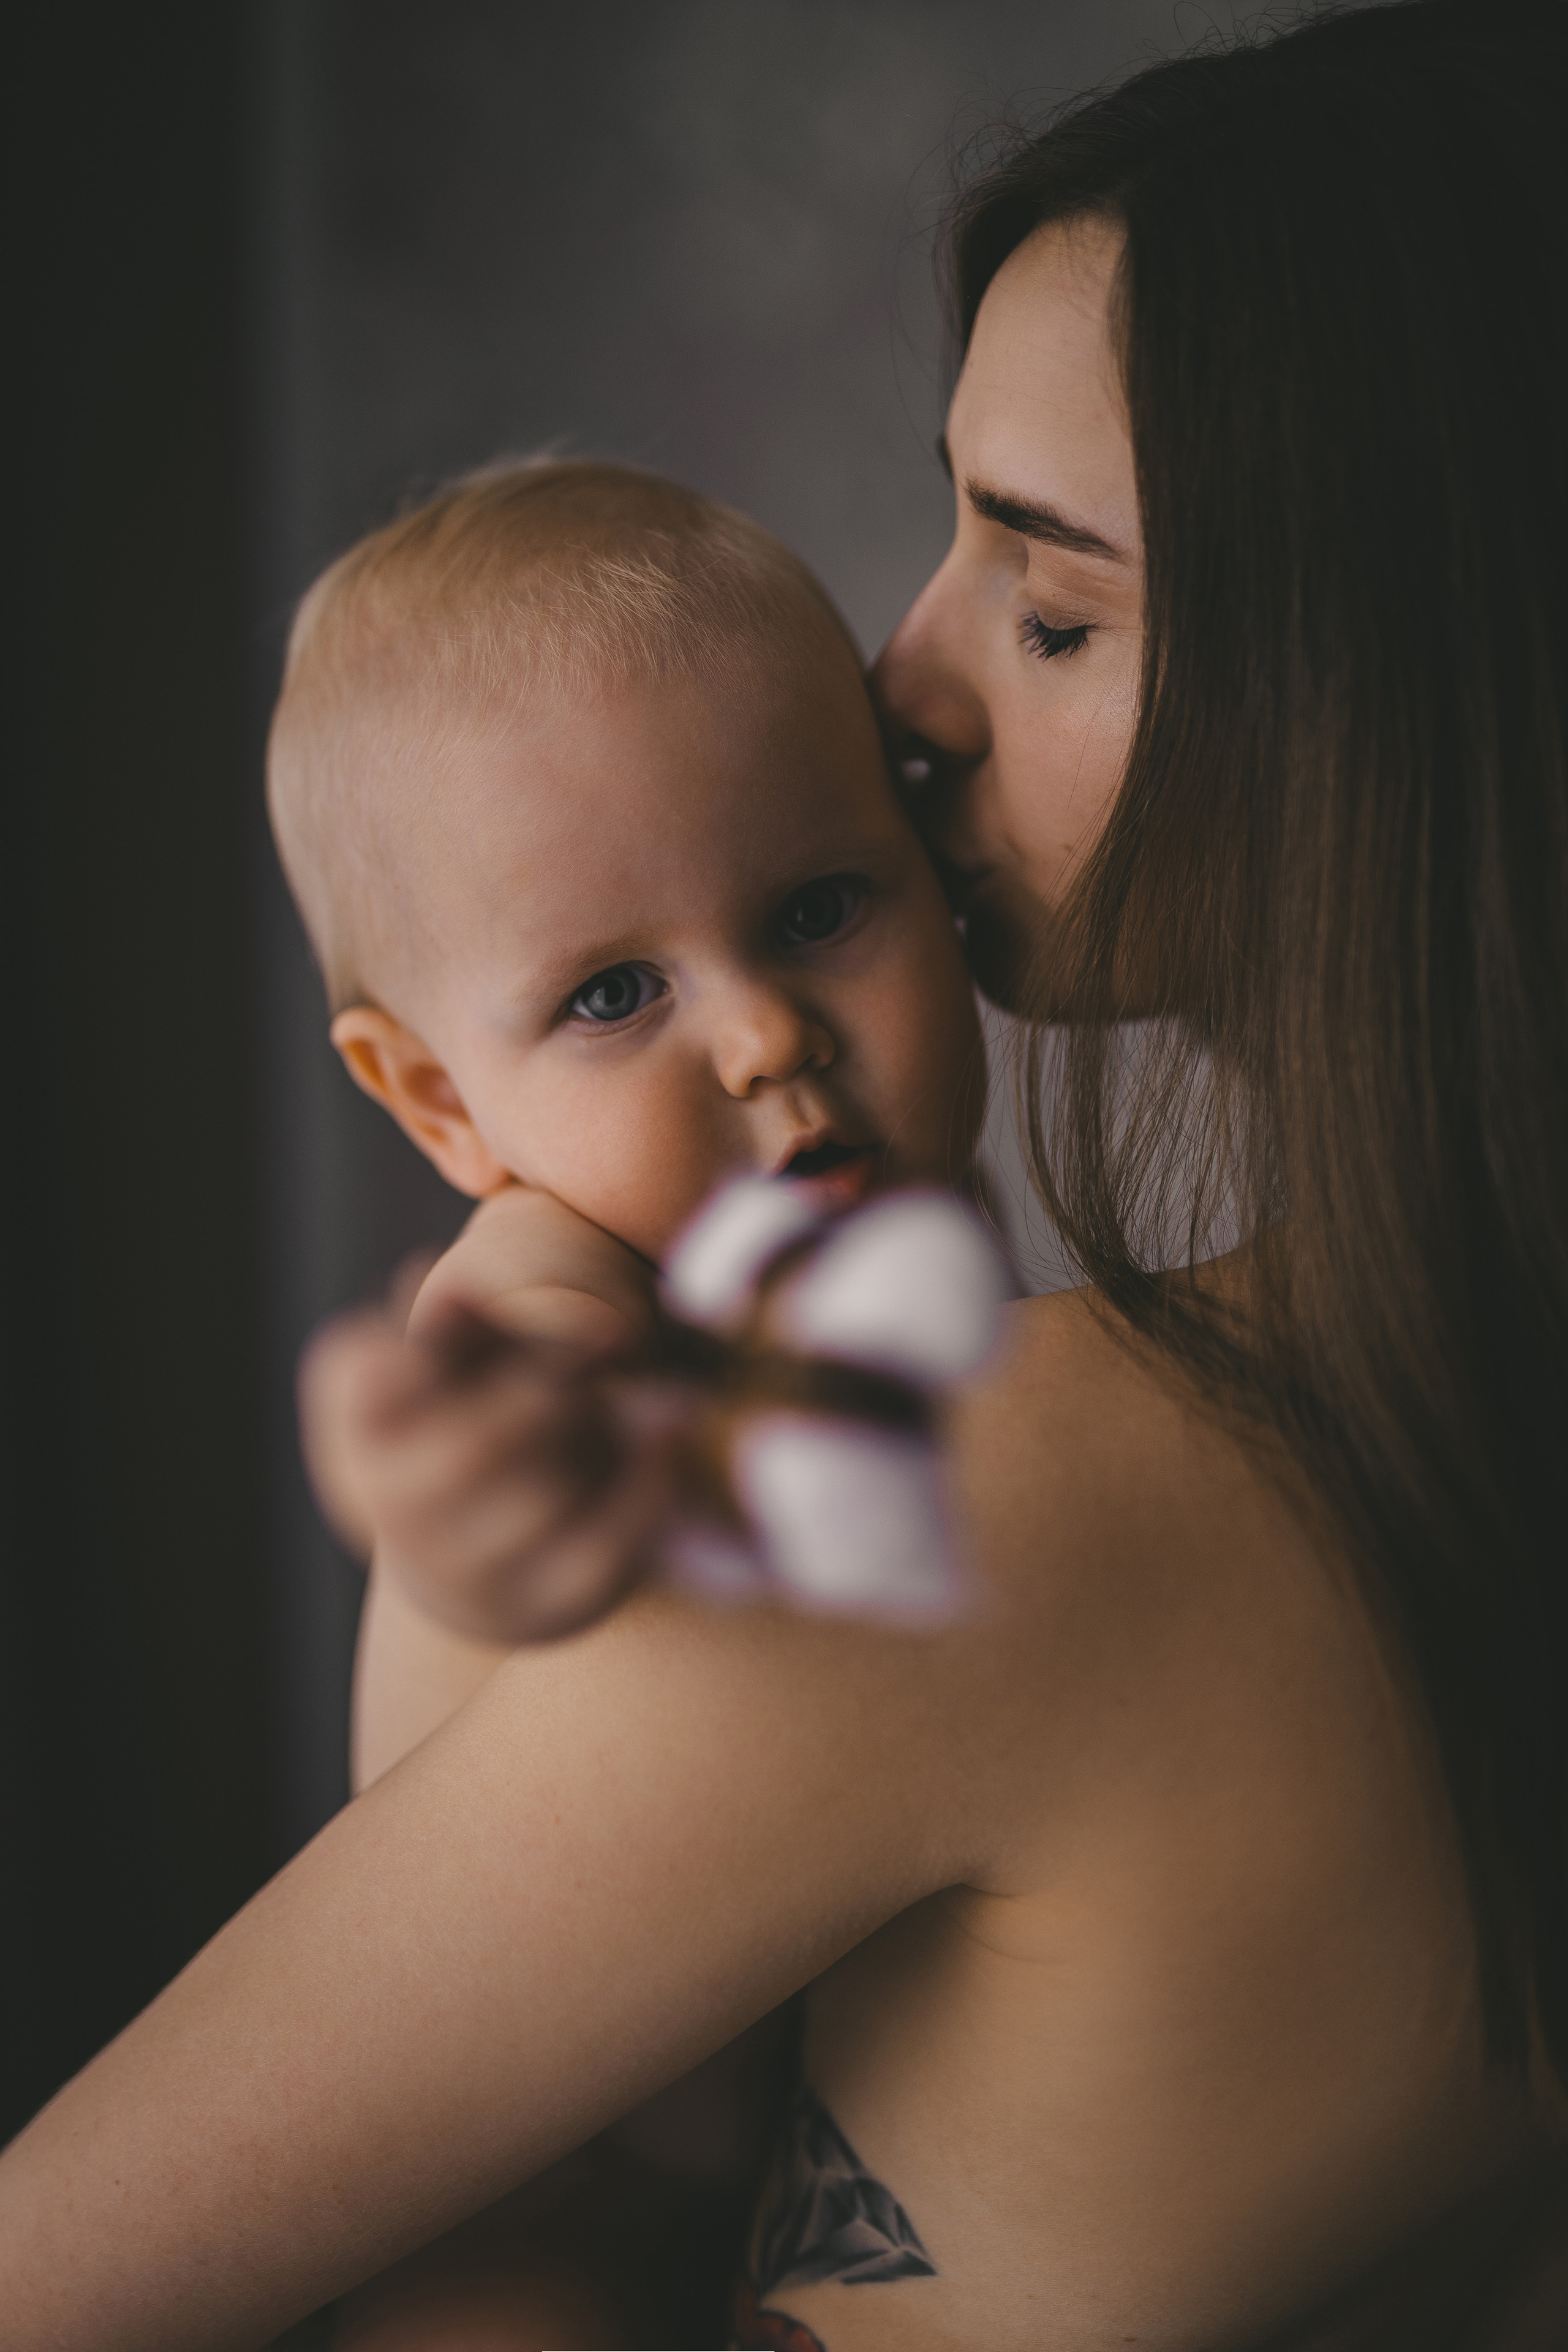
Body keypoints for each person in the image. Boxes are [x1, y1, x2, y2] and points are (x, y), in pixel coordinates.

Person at [3, 4, 1567, 2348]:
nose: (903, 683)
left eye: (1049, 607)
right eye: (947, 537)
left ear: (1396, 692)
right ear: (424, 1091)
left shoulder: (983, 1497)